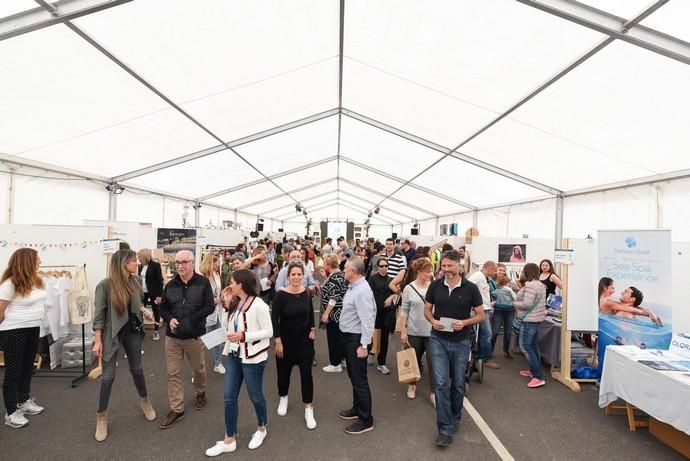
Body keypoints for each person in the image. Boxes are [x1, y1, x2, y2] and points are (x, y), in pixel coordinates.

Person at [205, 269, 273, 456]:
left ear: (241, 284)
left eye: (232, 282)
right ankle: (229, 439)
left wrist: (245, 336)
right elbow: (228, 328)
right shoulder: (236, 302)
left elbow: (268, 332)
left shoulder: (258, 304)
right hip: (235, 356)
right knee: (229, 397)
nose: (229, 285)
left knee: (255, 395)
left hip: (253, 359)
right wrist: (227, 305)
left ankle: (261, 428)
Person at [92, 249, 156, 441]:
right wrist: (97, 341)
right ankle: (101, 417)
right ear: (122, 263)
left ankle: (145, 401)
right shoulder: (105, 285)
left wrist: (145, 311)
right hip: (111, 333)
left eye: (137, 260)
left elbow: (137, 304)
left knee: (137, 369)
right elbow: (99, 316)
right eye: (133, 261)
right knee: (108, 377)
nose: (137, 263)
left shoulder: (135, 281)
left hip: (133, 331)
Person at [424, 250, 484, 448]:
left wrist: (465, 322)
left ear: (460, 266)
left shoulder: (471, 289)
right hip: (438, 340)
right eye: (443, 266)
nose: (446, 269)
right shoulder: (435, 286)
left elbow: (480, 315)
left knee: (458, 384)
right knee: (440, 383)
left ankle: (455, 417)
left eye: (450, 266)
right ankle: (444, 429)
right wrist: (432, 320)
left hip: (461, 342)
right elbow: (427, 308)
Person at [159, 250, 215, 429]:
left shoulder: (203, 283)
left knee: (198, 369)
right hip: (172, 337)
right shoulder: (170, 285)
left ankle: (200, 392)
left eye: (184, 262)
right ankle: (177, 408)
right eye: (178, 263)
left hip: (194, 336)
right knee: (173, 373)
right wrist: (169, 319)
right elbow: (163, 308)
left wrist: (191, 320)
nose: (180, 266)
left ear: (192, 263)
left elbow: (209, 307)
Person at [0, 248, 47, 429]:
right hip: (14, 331)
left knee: (28, 367)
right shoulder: (9, 285)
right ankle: (11, 412)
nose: (40, 262)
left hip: (33, 328)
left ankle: (24, 401)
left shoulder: (36, 281)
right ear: (27, 262)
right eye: (37, 259)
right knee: (14, 371)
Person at [272, 263, 317, 429]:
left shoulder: (306, 292)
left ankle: (308, 408)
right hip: (285, 341)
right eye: (293, 274)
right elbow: (274, 319)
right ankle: (283, 397)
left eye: (299, 274)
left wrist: (312, 328)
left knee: (307, 375)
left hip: (305, 342)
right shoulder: (281, 295)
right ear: (288, 276)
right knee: (283, 373)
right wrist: (277, 341)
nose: (297, 277)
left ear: (303, 276)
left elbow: (311, 311)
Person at [338, 258, 377, 434]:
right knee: (354, 377)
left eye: (345, 268)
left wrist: (364, 345)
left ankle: (366, 419)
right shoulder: (354, 286)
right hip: (349, 337)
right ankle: (357, 408)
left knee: (360, 380)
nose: (343, 271)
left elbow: (368, 320)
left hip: (356, 339)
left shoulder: (362, 290)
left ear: (353, 271)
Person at [400, 258, 434, 403]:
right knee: (413, 360)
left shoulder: (434, 287)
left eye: (431, 271)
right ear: (419, 272)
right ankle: (412, 386)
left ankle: (434, 392)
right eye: (427, 272)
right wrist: (403, 331)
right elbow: (404, 311)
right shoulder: (409, 288)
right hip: (414, 330)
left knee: (434, 362)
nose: (430, 274)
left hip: (431, 331)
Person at [514, 263, 547, 388]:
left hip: (529, 320)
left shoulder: (531, 285)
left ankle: (538, 376)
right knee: (533, 345)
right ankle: (534, 370)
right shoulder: (540, 285)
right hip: (536, 319)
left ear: (527, 272)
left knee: (525, 346)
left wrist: (514, 303)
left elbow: (527, 304)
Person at [468, 261, 501, 369]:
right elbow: (467, 287)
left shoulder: (484, 278)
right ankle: (486, 358)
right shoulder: (478, 276)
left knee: (482, 334)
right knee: (486, 334)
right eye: (495, 270)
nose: (496, 272)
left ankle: (479, 357)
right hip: (480, 310)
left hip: (484, 309)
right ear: (489, 268)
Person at [320, 254, 348, 373]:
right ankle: (341, 359)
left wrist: (326, 313)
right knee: (339, 338)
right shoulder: (339, 274)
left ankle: (335, 364)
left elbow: (333, 297)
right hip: (338, 313)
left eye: (324, 262)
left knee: (334, 339)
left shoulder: (336, 277)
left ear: (328, 264)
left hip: (334, 313)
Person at [368, 257, 393, 374]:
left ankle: (382, 363)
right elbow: (368, 295)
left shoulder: (391, 280)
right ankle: (371, 352)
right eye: (382, 266)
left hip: (387, 313)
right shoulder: (372, 279)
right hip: (374, 312)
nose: (384, 268)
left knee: (384, 338)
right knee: (372, 335)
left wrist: (390, 298)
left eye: (386, 266)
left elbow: (397, 292)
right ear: (378, 267)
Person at [201, 253, 225, 374]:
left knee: (218, 339)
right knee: (201, 342)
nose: (219, 264)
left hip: (216, 312)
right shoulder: (202, 278)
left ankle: (218, 363)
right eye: (217, 262)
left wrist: (221, 297)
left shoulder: (216, 274)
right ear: (211, 263)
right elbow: (202, 298)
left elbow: (218, 292)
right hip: (205, 314)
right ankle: (198, 369)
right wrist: (217, 300)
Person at [137, 248, 164, 341]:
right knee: (140, 311)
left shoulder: (155, 265)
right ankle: (140, 331)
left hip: (154, 292)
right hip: (142, 292)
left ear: (144, 256)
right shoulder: (140, 266)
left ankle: (156, 332)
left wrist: (160, 295)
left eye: (140, 257)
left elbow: (160, 281)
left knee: (156, 310)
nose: (138, 259)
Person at [491, 275, 516, 360]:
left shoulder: (496, 290)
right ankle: (506, 351)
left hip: (498, 310)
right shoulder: (509, 290)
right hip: (509, 310)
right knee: (508, 332)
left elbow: (492, 296)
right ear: (507, 283)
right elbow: (515, 298)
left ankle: (490, 351)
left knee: (495, 332)